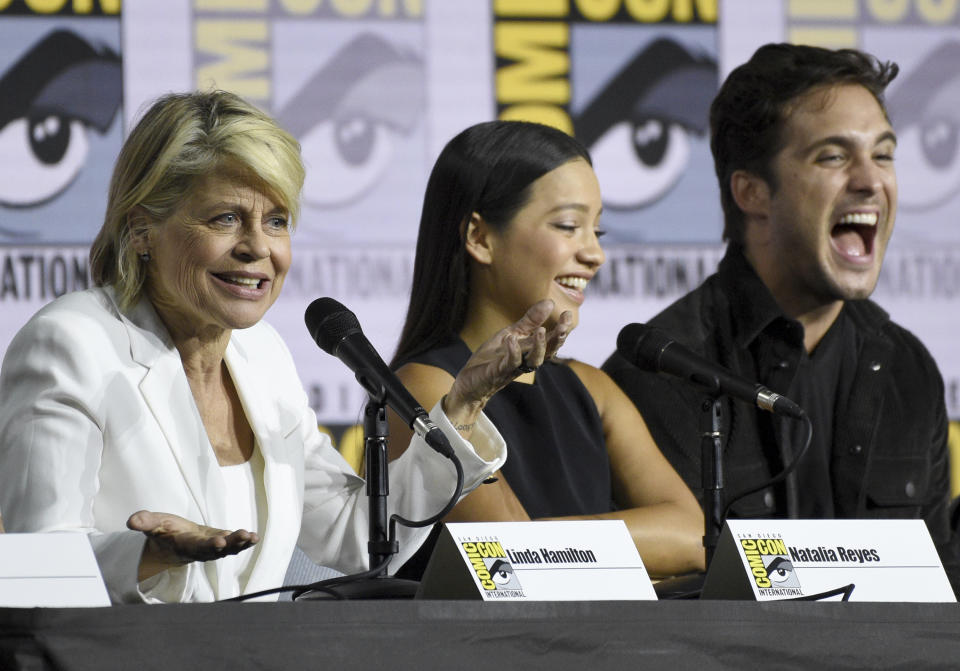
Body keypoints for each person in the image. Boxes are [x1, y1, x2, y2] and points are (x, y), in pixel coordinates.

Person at [0, 91, 560, 604]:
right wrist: (151, 554)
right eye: (226, 218)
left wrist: (462, 405)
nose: (257, 248)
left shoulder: (260, 356)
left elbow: (355, 538)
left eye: (276, 221)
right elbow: (36, 570)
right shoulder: (71, 343)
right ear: (142, 229)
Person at [602, 43, 959, 589]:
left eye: (883, 155)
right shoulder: (661, 371)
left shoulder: (909, 367)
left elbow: (939, 592)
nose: (871, 181)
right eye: (834, 157)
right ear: (751, 191)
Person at [387, 120, 705, 579]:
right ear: (479, 237)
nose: (594, 254)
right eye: (569, 226)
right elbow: (509, 558)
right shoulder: (426, 387)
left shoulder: (592, 387)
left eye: (599, 231)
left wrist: (541, 541)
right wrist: (625, 545)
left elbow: (693, 536)